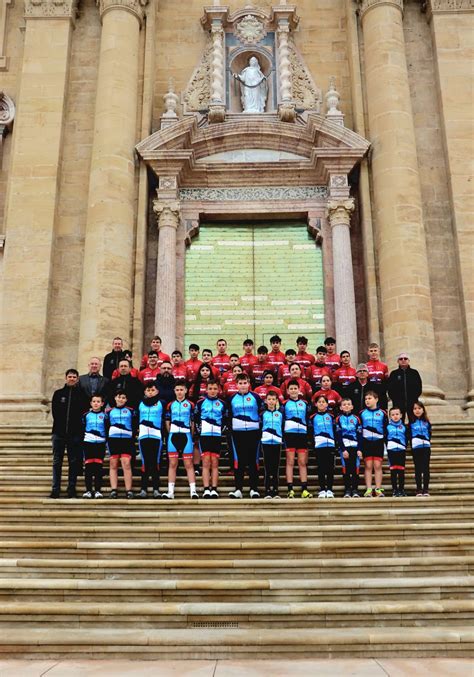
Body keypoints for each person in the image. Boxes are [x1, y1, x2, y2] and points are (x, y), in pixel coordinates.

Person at [50, 369, 89, 499]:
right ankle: (55, 488)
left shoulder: (82, 395)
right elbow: (55, 413)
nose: (72, 379)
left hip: (75, 434)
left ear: (77, 379)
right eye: (69, 376)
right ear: (66, 378)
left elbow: (84, 414)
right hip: (59, 433)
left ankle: (71, 488)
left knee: (73, 462)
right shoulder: (58, 394)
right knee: (57, 462)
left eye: (74, 377)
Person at [227, 373, 263, 499]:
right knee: (239, 461)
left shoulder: (256, 397)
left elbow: (262, 412)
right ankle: (238, 489)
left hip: (253, 433)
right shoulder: (231, 398)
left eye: (245, 383)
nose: (243, 385)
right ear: (236, 385)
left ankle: (254, 489)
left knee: (253, 461)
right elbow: (228, 415)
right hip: (237, 433)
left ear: (249, 384)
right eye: (240, 383)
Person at [163, 383, 198, 499]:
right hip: (173, 436)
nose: (179, 392)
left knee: (188, 464)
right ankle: (170, 492)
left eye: (181, 390)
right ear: (174, 391)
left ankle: (193, 491)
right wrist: (170, 433)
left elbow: (193, 422)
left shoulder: (191, 404)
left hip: (186, 435)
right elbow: (167, 421)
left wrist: (191, 435)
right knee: (172, 464)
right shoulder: (170, 405)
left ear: (186, 390)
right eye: (177, 390)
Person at [194, 380, 227, 499]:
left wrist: (221, 430)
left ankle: (214, 489)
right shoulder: (200, 403)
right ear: (206, 390)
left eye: (215, 388)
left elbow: (225, 419)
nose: (212, 391)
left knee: (215, 463)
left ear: (218, 390)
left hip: (217, 436)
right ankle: (206, 489)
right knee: (206, 462)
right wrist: (199, 431)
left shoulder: (222, 403)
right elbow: (196, 419)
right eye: (210, 388)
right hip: (205, 436)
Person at [282, 379, 312, 499]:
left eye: (295, 388)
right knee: (290, 461)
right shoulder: (284, 404)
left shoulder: (304, 403)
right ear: (288, 391)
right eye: (291, 389)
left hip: (302, 435)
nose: (293, 391)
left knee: (302, 462)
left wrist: (309, 437)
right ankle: (290, 489)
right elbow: (282, 419)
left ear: (299, 390)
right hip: (289, 434)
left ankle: (304, 489)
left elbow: (308, 420)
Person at [107, 390, 136, 499]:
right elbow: (106, 426)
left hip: (126, 440)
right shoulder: (109, 411)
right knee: (113, 464)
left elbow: (134, 425)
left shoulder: (131, 411)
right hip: (113, 440)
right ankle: (114, 490)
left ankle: (129, 490)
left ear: (126, 400)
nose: (121, 399)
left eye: (123, 398)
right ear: (115, 398)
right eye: (119, 397)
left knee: (126, 463)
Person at [136, 383, 164, 499]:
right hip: (143, 436)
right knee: (145, 463)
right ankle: (143, 489)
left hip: (156, 436)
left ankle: (156, 489)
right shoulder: (140, 403)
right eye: (148, 390)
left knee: (155, 463)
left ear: (157, 391)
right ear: (145, 392)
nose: (150, 392)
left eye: (153, 390)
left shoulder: (161, 403)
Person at [360, 390, 388, 498]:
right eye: (366, 399)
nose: (367, 400)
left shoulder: (383, 413)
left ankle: (378, 488)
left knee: (377, 465)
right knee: (368, 465)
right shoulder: (362, 413)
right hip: (366, 442)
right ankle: (368, 489)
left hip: (378, 441)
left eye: (369, 398)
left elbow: (386, 429)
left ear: (376, 399)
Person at [81, 394, 107, 499]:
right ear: (91, 403)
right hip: (88, 442)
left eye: (98, 401)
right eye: (94, 401)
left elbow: (107, 428)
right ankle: (88, 490)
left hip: (100, 443)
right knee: (88, 467)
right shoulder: (86, 415)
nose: (96, 403)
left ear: (102, 403)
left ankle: (97, 490)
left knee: (98, 467)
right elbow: (82, 428)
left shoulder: (105, 416)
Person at [311, 395, 337, 499]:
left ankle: (330, 489)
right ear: (316, 404)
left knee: (330, 468)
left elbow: (335, 430)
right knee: (321, 468)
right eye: (319, 402)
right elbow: (310, 432)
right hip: (319, 445)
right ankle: (322, 489)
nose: (321, 403)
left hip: (330, 445)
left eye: (323, 402)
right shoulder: (312, 417)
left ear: (327, 404)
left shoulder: (331, 417)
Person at [335, 398, 362, 498]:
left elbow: (359, 435)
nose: (346, 406)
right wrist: (343, 450)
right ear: (341, 407)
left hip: (355, 446)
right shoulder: (338, 419)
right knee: (346, 469)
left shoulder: (356, 418)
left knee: (355, 468)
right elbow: (338, 436)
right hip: (344, 448)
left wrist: (359, 449)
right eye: (344, 404)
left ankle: (355, 490)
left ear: (352, 406)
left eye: (348, 404)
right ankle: (347, 490)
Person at [261, 391, 284, 499]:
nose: (271, 401)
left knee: (275, 467)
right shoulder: (262, 414)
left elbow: (283, 427)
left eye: (273, 399)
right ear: (266, 401)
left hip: (277, 442)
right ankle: (267, 490)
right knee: (267, 467)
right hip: (265, 442)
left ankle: (275, 490)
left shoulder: (280, 414)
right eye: (269, 399)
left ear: (276, 401)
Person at [387, 353, 423, 420]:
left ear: (408, 361)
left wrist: (414, 397)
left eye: (405, 358)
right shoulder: (394, 374)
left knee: (413, 422)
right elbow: (390, 388)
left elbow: (419, 387)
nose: (403, 360)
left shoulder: (414, 373)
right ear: (398, 361)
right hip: (398, 403)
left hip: (412, 402)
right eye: (401, 359)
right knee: (399, 422)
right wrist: (395, 399)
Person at [409, 401, 432, 497]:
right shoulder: (411, 423)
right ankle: (419, 489)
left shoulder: (427, 422)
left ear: (423, 410)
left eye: (419, 408)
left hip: (426, 447)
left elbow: (429, 434)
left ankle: (425, 489)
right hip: (416, 447)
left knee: (425, 468)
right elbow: (409, 436)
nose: (417, 410)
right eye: (415, 409)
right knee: (418, 468)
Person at [386, 406, 408, 497]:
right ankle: (394, 490)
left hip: (401, 450)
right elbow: (385, 438)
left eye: (397, 414)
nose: (395, 416)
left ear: (401, 415)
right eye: (393, 415)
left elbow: (407, 438)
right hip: (391, 450)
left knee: (401, 470)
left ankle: (401, 489)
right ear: (390, 416)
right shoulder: (387, 427)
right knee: (393, 470)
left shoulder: (404, 427)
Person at [366, 343, 389, 408]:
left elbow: (386, 381)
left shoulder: (384, 366)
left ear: (379, 352)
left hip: (381, 394)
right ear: (368, 352)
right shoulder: (366, 365)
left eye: (375, 350)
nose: (373, 353)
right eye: (371, 351)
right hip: (370, 394)